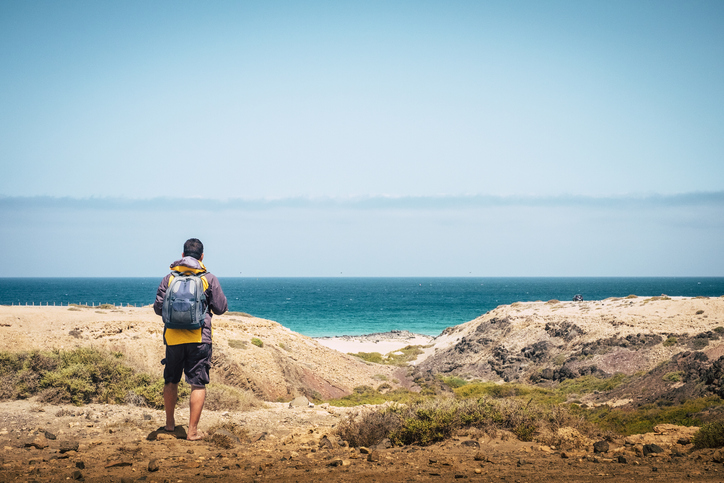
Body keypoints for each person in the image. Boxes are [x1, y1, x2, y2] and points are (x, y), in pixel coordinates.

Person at [153, 238, 228, 440]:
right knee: (197, 384)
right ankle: (192, 431)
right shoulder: (208, 278)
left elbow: (158, 308)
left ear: (183, 255)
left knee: (171, 380)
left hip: (173, 338)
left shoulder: (169, 278)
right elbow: (221, 308)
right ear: (201, 256)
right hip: (199, 338)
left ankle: (170, 425)